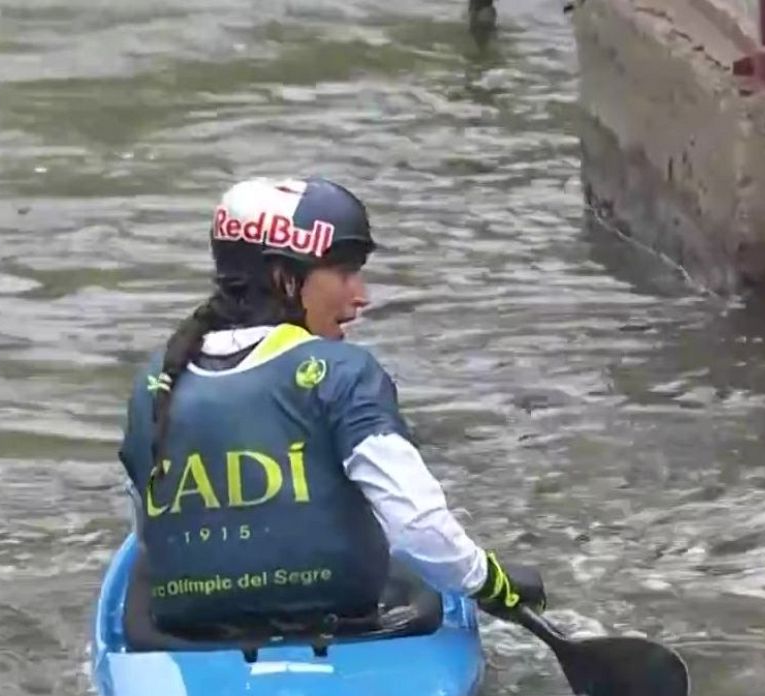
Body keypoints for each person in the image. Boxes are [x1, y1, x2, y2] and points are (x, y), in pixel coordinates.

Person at [117, 175, 545, 640]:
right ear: (284, 277)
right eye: (344, 273)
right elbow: (417, 529)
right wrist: (493, 584)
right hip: (343, 630)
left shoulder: (155, 381)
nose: (361, 296)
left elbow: (151, 536)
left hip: (189, 641)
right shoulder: (343, 373)